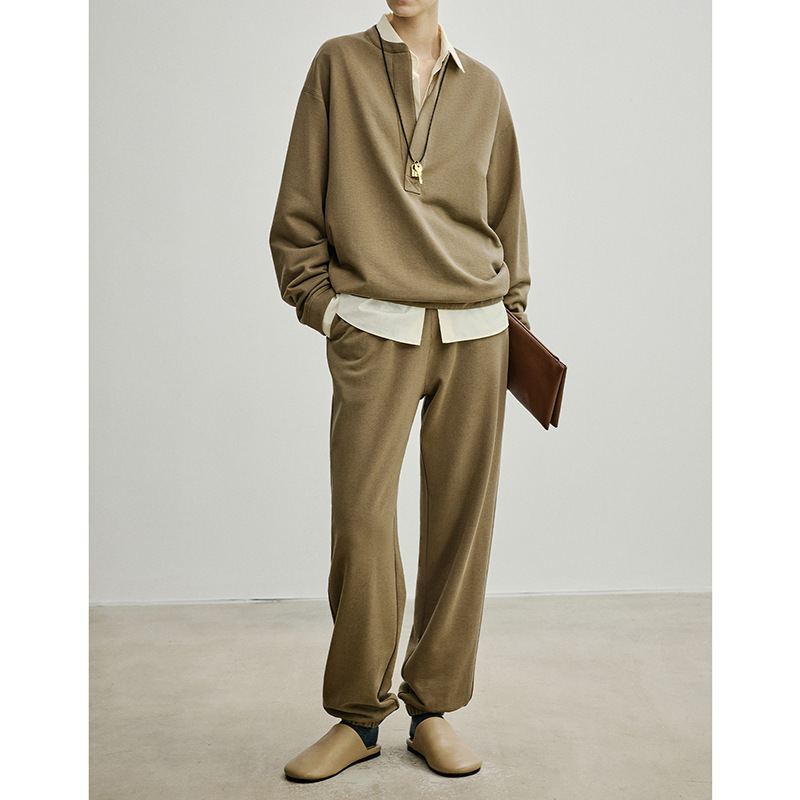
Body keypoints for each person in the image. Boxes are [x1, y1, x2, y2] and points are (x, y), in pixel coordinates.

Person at [269, 0, 531, 783]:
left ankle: (433, 710)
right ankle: (357, 717)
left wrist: (514, 318)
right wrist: (324, 308)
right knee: (362, 521)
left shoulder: (483, 86)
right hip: (374, 330)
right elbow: (297, 208)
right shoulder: (337, 65)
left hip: (476, 332)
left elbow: (508, 215)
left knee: (460, 528)